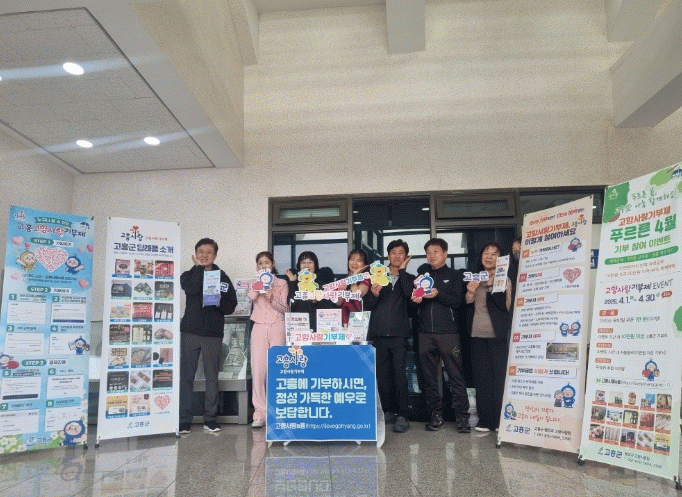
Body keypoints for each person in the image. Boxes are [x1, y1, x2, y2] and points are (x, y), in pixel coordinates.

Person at [179, 238, 237, 434]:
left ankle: (210, 419)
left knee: (212, 377)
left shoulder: (223, 278)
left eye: (209, 252)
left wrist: (219, 301)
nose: (204, 255)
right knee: (186, 376)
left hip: (213, 333)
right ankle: (183, 420)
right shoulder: (188, 275)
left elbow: (230, 306)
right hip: (190, 331)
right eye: (201, 252)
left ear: (215, 255)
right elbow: (191, 289)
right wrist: (198, 269)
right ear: (195, 255)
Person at [412, 238, 470, 433]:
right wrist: (415, 300)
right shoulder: (422, 277)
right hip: (425, 333)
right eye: (428, 252)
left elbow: (458, 302)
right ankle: (435, 415)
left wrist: (438, 294)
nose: (432, 255)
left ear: (445, 253)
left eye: (436, 251)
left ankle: (462, 417)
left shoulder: (454, 275)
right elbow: (413, 305)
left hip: (448, 333)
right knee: (429, 378)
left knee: (455, 375)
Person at [363, 239, 415, 433]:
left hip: (399, 334)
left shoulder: (409, 278)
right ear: (388, 255)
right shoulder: (377, 276)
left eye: (400, 253)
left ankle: (403, 414)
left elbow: (410, 297)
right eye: (393, 252)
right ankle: (387, 411)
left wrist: (402, 271)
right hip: (378, 333)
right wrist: (373, 295)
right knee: (383, 376)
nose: (397, 256)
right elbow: (367, 306)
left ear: (406, 256)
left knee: (400, 375)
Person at [464, 241, 512, 433]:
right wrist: (470, 292)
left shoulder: (505, 279)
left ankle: (500, 420)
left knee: (499, 379)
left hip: (497, 336)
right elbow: (466, 305)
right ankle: (484, 420)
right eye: (486, 252)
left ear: (500, 259)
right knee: (481, 379)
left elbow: (507, 308)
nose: (489, 256)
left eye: (494, 254)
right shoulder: (473, 278)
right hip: (476, 335)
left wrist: (499, 288)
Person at [248, 251, 289, 428]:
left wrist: (272, 297)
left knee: (277, 368)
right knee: (258, 370)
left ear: (273, 264)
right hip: (258, 326)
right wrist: (259, 285)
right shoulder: (253, 283)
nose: (263, 265)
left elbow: (285, 308)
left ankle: (277, 410)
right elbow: (251, 297)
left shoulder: (281, 283)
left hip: (277, 324)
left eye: (266, 262)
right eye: (260, 263)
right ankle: (259, 413)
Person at [285, 251, 336, 331]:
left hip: (319, 327)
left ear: (315, 265)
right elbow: (290, 304)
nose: (306, 265)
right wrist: (292, 282)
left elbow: (330, 307)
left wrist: (317, 300)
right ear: (299, 266)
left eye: (310, 262)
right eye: (303, 262)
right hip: (298, 327)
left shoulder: (322, 284)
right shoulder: (294, 282)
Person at [336, 249, 371, 324]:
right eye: (352, 259)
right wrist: (341, 292)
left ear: (364, 265)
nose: (354, 263)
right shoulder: (342, 279)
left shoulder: (366, 278)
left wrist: (354, 277)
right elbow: (338, 303)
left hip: (359, 322)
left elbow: (356, 295)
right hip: (343, 320)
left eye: (359, 261)